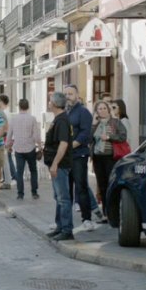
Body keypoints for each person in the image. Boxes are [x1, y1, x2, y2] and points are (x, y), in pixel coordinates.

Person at [63, 84, 95, 230]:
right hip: (66, 156)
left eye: (71, 94)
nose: (68, 96)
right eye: (66, 94)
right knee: (66, 189)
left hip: (79, 154)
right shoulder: (65, 112)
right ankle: (65, 221)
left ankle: (87, 219)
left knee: (81, 187)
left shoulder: (83, 112)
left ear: (77, 95)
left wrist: (72, 145)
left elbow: (85, 133)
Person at [43, 92, 74, 241]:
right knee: (58, 197)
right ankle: (60, 226)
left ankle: (67, 229)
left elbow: (63, 144)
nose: (48, 103)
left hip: (60, 164)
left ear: (54, 104)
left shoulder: (62, 121)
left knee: (63, 198)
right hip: (56, 164)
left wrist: (55, 163)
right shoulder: (59, 119)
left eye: (50, 101)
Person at [89, 100, 127, 221]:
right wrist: (94, 124)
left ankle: (113, 213)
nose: (102, 111)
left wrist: (109, 137)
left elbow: (122, 136)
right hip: (97, 157)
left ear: (108, 109)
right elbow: (89, 139)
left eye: (104, 108)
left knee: (111, 184)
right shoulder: (95, 124)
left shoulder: (115, 122)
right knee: (102, 185)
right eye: (99, 109)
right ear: (96, 112)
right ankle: (105, 212)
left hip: (111, 157)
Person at [6, 98, 42, 200]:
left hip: (18, 149)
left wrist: (8, 146)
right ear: (28, 107)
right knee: (33, 170)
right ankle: (34, 192)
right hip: (30, 148)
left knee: (19, 172)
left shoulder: (14, 119)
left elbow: (9, 135)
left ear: (19, 107)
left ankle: (20, 194)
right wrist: (39, 146)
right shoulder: (32, 118)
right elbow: (36, 135)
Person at [0, 94, 16, 189]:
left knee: (6, 160)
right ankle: (9, 178)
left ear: (1, 102)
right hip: (8, 138)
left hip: (5, 138)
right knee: (7, 159)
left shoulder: (4, 113)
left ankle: (11, 178)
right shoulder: (7, 112)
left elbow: (6, 128)